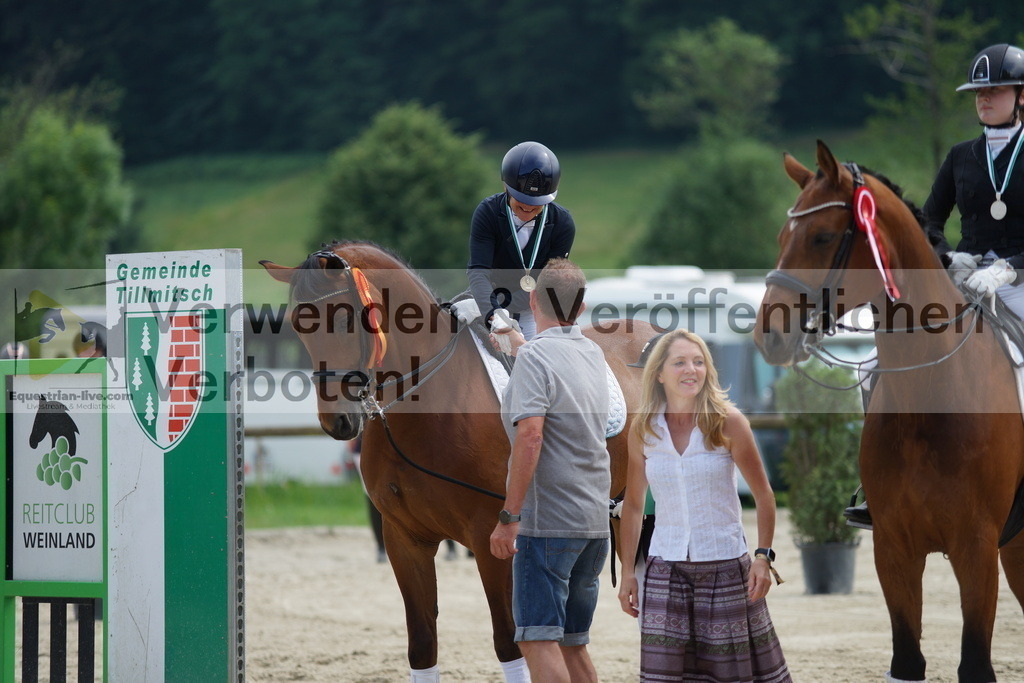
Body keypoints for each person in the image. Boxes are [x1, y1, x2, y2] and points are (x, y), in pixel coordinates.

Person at [846, 42, 1024, 530]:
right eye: (978, 92)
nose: (985, 99)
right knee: (875, 366)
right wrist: (951, 256)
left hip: (1018, 282)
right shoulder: (961, 155)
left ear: (1020, 95)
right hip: (968, 279)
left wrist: (1009, 267)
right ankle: (877, 481)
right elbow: (929, 219)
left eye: (995, 90)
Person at [616, 329, 791, 682]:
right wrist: (627, 573)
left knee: (728, 674)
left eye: (698, 362)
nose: (691, 370)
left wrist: (762, 556)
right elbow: (633, 505)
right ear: (660, 373)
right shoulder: (644, 429)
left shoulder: (729, 422)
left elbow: (764, 496)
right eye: (679, 362)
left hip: (726, 568)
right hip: (665, 569)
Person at [489, 258, 609, 683]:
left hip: (548, 522)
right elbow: (555, 364)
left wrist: (509, 517)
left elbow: (531, 438)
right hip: (593, 522)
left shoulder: (535, 359)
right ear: (580, 308)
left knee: (537, 640)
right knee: (573, 644)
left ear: (533, 299)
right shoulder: (593, 351)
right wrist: (522, 347)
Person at [454, 141, 576, 341]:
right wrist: (492, 313)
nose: (528, 208)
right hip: (485, 297)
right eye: (522, 201)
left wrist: (499, 306)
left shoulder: (563, 223)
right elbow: (478, 270)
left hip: (534, 306)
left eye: (537, 204)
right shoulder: (488, 212)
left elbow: (547, 283)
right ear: (505, 186)